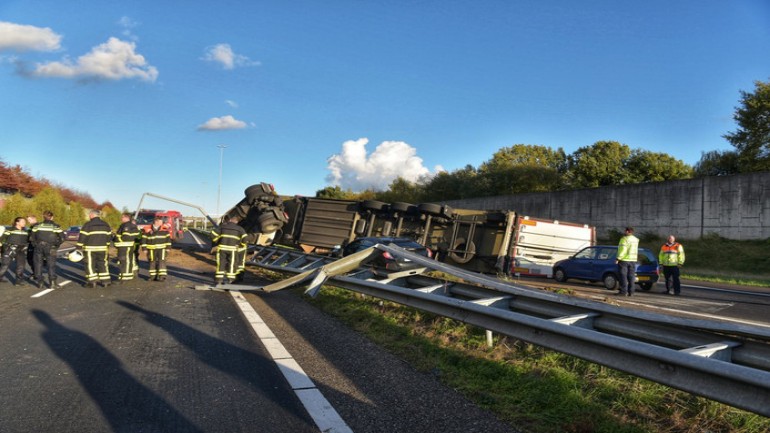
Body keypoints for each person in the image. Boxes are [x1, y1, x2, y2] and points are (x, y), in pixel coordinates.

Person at [77, 210, 113, 288]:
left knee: (90, 264)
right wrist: (107, 245)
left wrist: (79, 247)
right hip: (102, 248)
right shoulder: (106, 225)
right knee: (103, 264)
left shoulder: (88, 225)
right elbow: (109, 237)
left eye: (89, 215)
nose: (89, 216)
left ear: (92, 215)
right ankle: (106, 281)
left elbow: (82, 236)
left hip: (90, 249)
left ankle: (92, 282)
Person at [30, 211, 65, 289]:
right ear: (52, 217)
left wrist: (35, 244)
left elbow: (31, 237)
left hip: (38, 247)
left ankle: (40, 282)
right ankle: (52, 283)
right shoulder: (55, 226)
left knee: (38, 264)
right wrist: (56, 245)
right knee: (51, 265)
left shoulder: (37, 226)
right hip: (50, 247)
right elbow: (62, 238)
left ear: (43, 217)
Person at [211, 216, 247, 285]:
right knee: (232, 264)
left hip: (222, 249)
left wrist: (217, 241)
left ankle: (219, 280)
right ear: (237, 222)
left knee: (221, 263)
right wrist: (241, 245)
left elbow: (212, 235)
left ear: (230, 220)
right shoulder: (239, 229)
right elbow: (245, 238)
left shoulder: (222, 226)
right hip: (233, 250)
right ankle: (230, 280)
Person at [0, 217, 29, 285]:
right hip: (10, 249)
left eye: (24, 222)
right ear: (17, 222)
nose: (24, 223)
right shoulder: (10, 230)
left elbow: (29, 240)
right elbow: (1, 239)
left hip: (21, 250)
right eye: (22, 222)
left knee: (21, 266)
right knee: (5, 265)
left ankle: (18, 281)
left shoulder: (26, 231)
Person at [114, 213, 141, 283]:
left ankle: (125, 277)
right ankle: (126, 275)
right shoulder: (130, 225)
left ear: (126, 218)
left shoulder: (126, 225)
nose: (121, 219)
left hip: (124, 246)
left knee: (124, 261)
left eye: (122, 217)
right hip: (126, 246)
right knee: (127, 261)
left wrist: (117, 239)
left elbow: (125, 237)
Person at [142, 217, 171, 281]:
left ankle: (162, 276)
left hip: (162, 249)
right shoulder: (147, 229)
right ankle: (153, 276)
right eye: (161, 222)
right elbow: (144, 239)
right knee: (152, 262)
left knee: (162, 261)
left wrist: (168, 248)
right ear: (156, 221)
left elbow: (168, 239)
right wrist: (144, 249)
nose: (162, 223)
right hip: (151, 249)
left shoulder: (165, 229)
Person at [615, 227, 639, 296]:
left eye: (625, 231)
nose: (624, 232)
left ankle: (623, 291)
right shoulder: (635, 239)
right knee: (631, 276)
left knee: (623, 276)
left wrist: (618, 258)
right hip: (633, 260)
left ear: (627, 231)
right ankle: (631, 292)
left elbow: (623, 250)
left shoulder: (624, 239)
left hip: (624, 260)